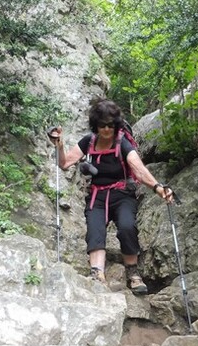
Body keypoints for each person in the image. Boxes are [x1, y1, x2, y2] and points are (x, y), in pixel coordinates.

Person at [48, 98, 174, 295]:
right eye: (102, 125)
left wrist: (158, 187)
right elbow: (64, 163)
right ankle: (97, 274)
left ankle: (133, 273)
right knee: (95, 229)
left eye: (110, 125)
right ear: (95, 126)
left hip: (123, 193)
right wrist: (59, 145)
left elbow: (138, 169)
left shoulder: (122, 143)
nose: (106, 129)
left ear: (116, 125)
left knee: (126, 226)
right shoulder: (88, 142)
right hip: (98, 195)